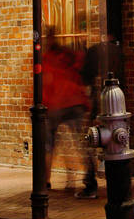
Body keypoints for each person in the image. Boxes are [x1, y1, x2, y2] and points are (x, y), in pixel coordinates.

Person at [42, 27, 98, 198]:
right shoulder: (68, 54)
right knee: (81, 143)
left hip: (57, 105)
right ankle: (88, 180)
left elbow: (45, 83)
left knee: (49, 145)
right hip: (75, 102)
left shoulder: (46, 58)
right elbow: (81, 68)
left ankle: (46, 181)